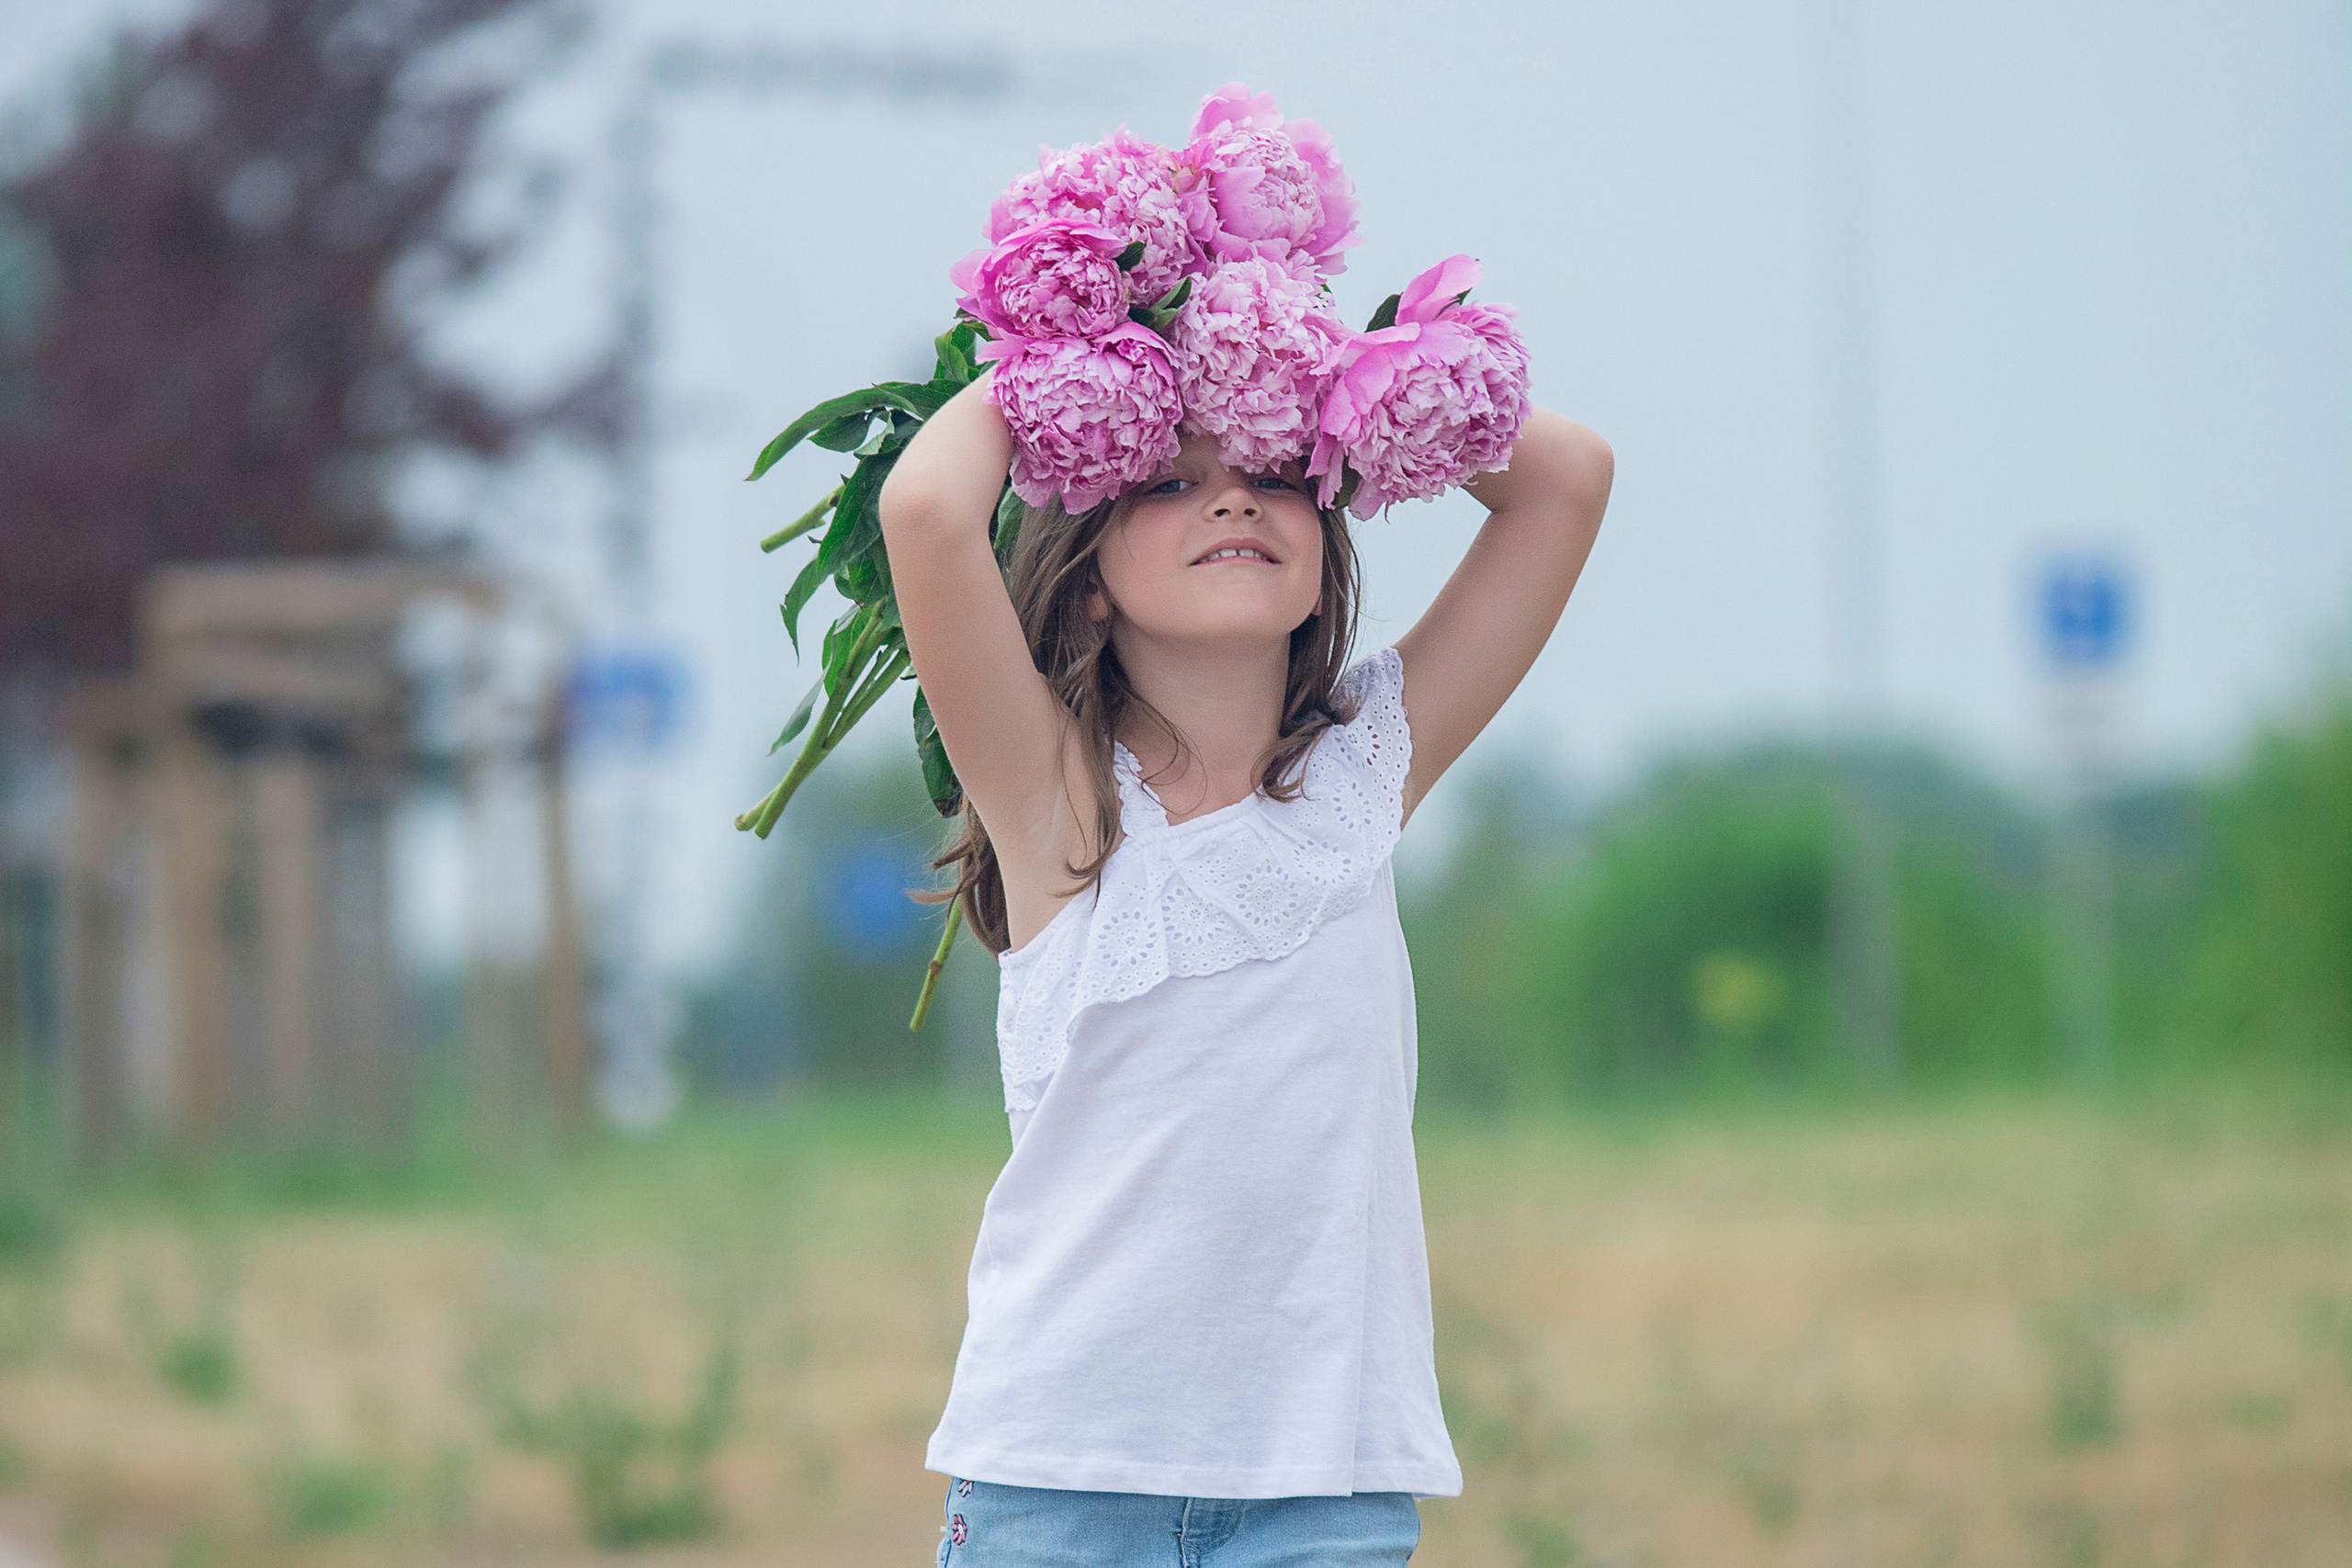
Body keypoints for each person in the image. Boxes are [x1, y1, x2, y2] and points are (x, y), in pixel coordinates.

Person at [878, 366, 1614, 1564]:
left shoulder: (1368, 772)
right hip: (1063, 1480)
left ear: (1326, 549)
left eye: (1277, 474)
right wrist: (1080, 359)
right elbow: (926, 513)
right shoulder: (1056, 797)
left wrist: (1316, 359)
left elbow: (1564, 481)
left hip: (1325, 1486)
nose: (1235, 502)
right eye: (1172, 481)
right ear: (1091, 576)